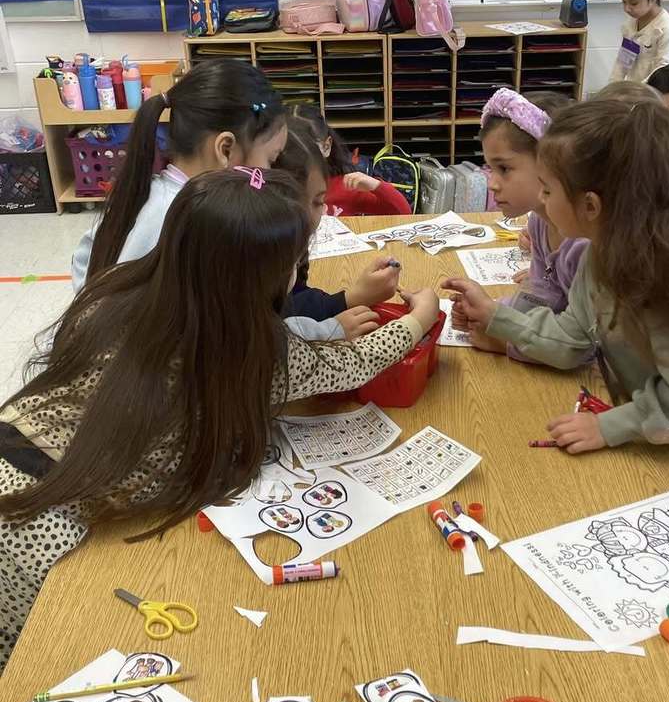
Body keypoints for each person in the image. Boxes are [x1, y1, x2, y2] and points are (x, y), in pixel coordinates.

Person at [0, 167, 439, 668]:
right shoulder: (248, 351)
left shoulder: (114, 291)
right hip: (46, 527)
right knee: (28, 663)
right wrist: (419, 317)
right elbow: (351, 363)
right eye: (293, 264)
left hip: (10, 467)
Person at [446, 99, 669, 527]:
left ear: (591, 206)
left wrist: (608, 428)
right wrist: (497, 320)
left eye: (546, 188)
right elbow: (572, 338)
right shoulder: (601, 257)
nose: (540, 202)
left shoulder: (668, 282)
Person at [71, 58, 288, 293]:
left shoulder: (156, 192)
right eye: (271, 160)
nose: (270, 174)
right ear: (225, 149)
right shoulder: (184, 216)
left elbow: (84, 260)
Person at [457, 89, 587, 360]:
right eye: (490, 168)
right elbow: (542, 296)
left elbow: (583, 345)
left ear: (550, 165)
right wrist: (487, 313)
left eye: (504, 168)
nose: (491, 183)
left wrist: (505, 342)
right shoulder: (539, 222)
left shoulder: (585, 243)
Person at [276, 118, 399, 341]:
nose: (323, 211)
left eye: (322, 200)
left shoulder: (292, 238)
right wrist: (348, 300)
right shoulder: (265, 248)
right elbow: (276, 319)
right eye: (316, 202)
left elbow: (295, 299)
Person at [289, 104, 411, 216]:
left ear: (326, 147)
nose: (299, 159)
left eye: (309, 149)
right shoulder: (276, 188)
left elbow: (403, 213)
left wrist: (376, 186)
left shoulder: (347, 186)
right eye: (289, 149)